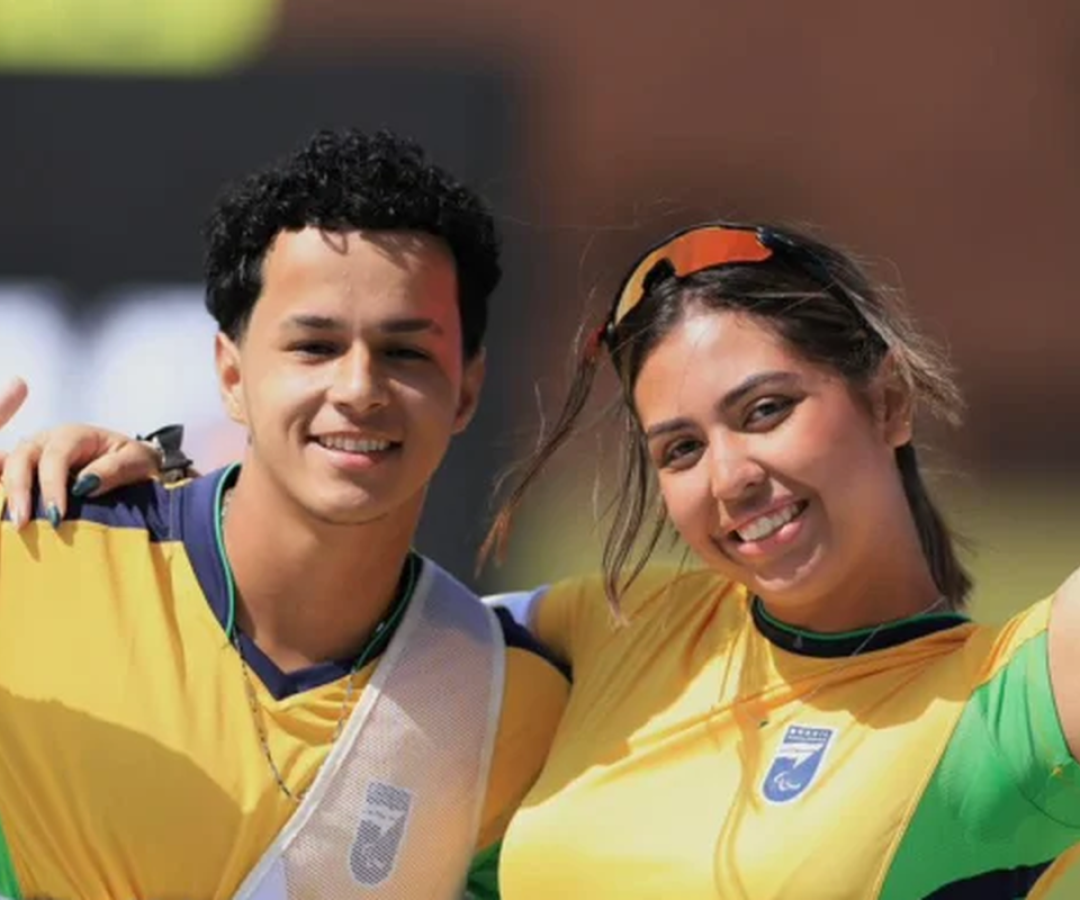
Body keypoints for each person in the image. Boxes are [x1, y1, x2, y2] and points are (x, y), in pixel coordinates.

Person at [12, 220, 1080, 899]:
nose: (733, 476)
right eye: (681, 448)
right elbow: (341, 621)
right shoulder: (618, 629)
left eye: (768, 410)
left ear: (887, 399)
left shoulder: (1006, 714)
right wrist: (150, 486)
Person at [0, 128, 568, 900]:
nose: (360, 388)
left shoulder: (513, 703)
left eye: (405, 354)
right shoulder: (36, 558)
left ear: (466, 389)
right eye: (315, 346)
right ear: (231, 374)